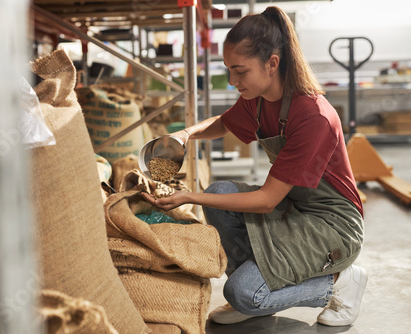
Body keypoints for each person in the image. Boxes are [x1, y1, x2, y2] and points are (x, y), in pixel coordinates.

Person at [142, 5, 367, 327]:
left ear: (272, 63)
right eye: (229, 70)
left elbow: (265, 200)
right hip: (296, 207)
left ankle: (340, 282)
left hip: (331, 223)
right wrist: (185, 134)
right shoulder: (258, 100)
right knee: (220, 191)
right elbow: (224, 124)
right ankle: (262, 290)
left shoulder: (312, 116)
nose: (233, 81)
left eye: (240, 71)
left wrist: (189, 198)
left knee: (244, 293)